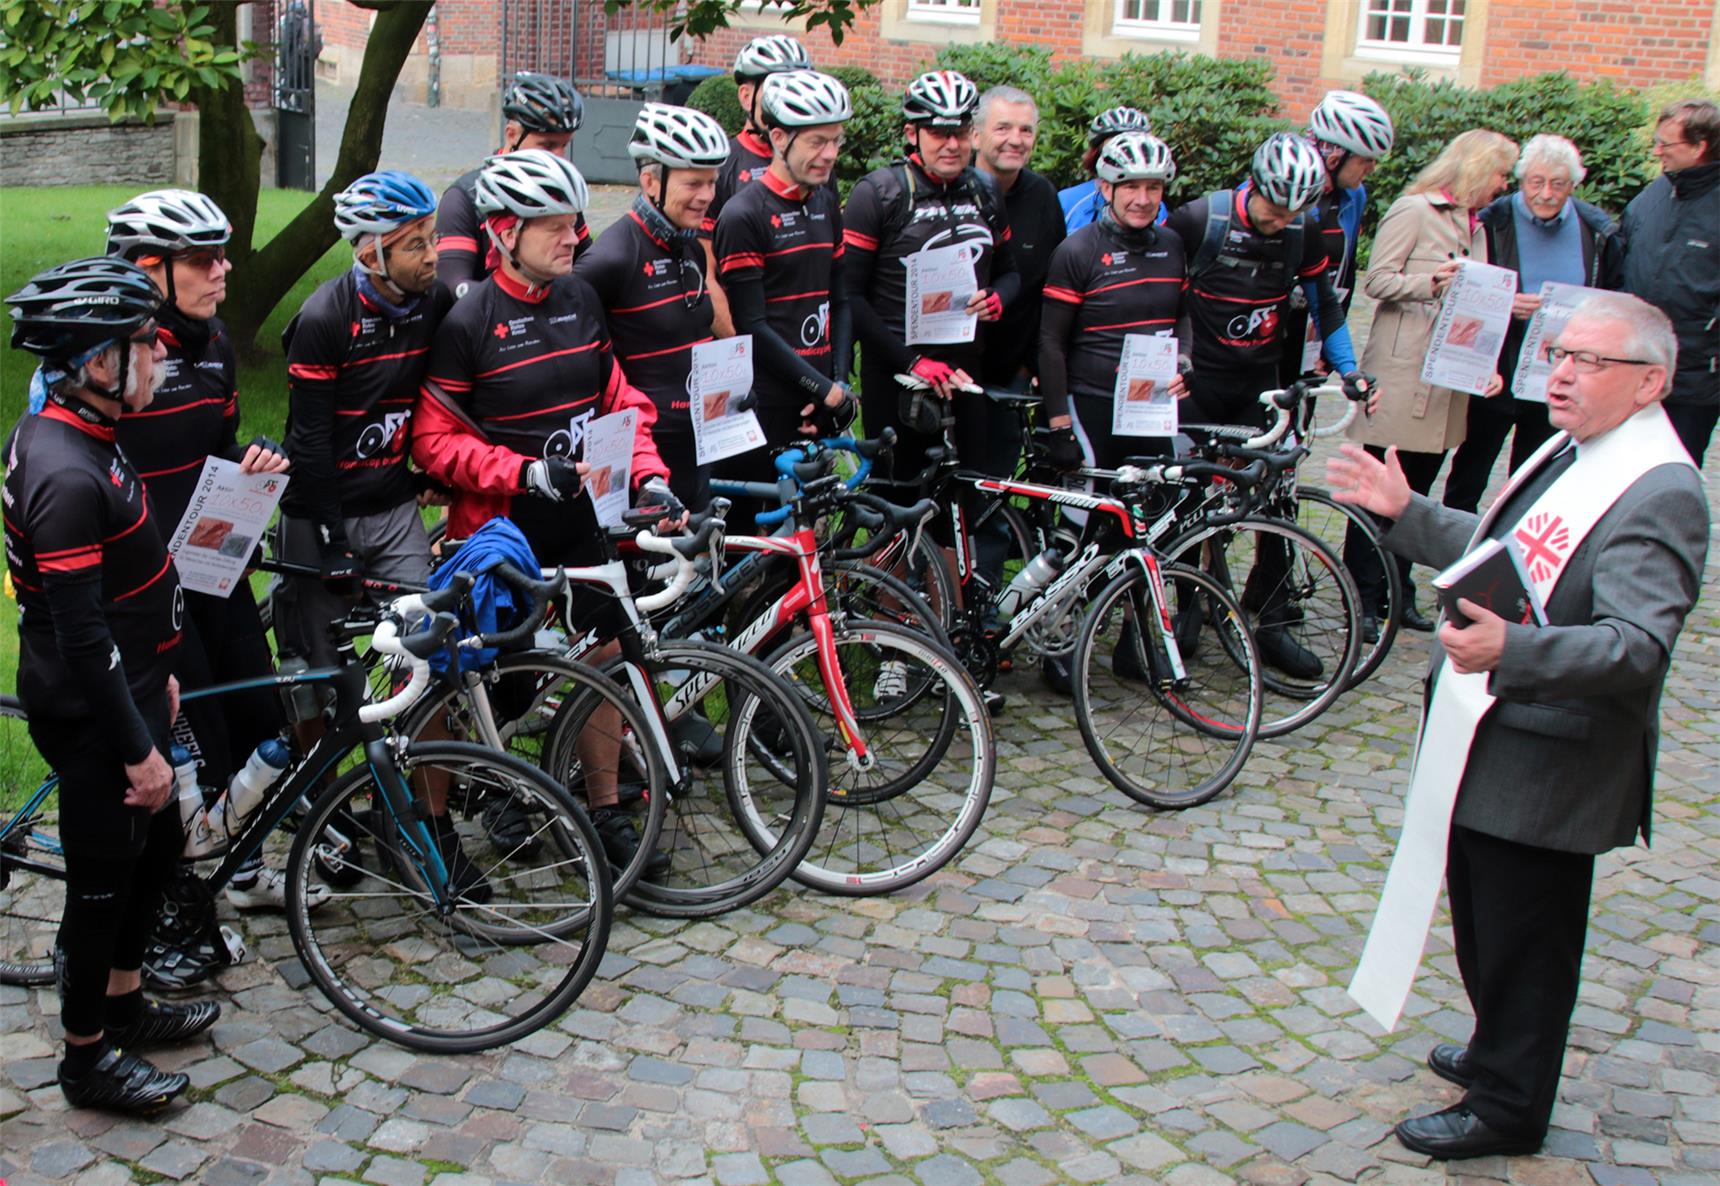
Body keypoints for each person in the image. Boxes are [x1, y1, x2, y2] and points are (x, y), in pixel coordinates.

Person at [1328, 291, 1708, 1160]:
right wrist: (1407, 513)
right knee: (1484, 912)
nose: (1561, 373)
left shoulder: (1661, 492)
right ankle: (1498, 1043)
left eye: (1588, 361)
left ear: (1650, 383)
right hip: (1495, 729)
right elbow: (1513, 549)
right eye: (1559, 354)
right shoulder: (1577, 448)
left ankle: (1509, 1103)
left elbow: (1636, 647)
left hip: (1550, 756)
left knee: (1527, 935)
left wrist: (1516, 649)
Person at [412, 148, 676, 876]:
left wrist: (650, 478)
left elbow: (621, 402)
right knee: (500, 682)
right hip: (501, 531)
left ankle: (604, 809)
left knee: (606, 656)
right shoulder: (471, 322)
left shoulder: (580, 300)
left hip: (578, 518)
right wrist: (524, 471)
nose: (572, 239)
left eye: (575, 224)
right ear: (503, 232)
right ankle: (492, 785)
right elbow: (433, 442)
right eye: (554, 227)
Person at [4, 257, 217, 1115]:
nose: (161, 356)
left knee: (156, 853)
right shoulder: (62, 471)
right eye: (143, 344)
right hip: (96, 714)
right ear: (97, 364)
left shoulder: (84, 430)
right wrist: (136, 748)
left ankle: (126, 1005)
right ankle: (86, 1060)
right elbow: (82, 637)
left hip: (135, 688)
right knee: (102, 887)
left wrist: (158, 678)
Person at [104, 190, 298, 928]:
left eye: (223, 254)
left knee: (258, 712)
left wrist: (258, 460)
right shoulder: (107, 362)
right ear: (146, 270)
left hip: (216, 568)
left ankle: (240, 868)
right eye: (202, 259)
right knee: (201, 744)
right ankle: (179, 901)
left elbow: (220, 451)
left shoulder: (214, 346)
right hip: (148, 589)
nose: (223, 271)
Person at [1165, 133, 1370, 679]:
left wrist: (1349, 369)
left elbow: (1325, 304)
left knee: (1274, 499)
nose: (1282, 221)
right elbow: (1161, 291)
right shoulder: (1199, 219)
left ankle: (1275, 623)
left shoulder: (1303, 228)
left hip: (1262, 380)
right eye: (1275, 210)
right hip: (1201, 381)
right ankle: (1186, 610)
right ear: (1253, 186)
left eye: (1293, 211)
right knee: (1191, 500)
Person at [274, 171, 451, 668]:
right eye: (416, 245)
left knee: (426, 649)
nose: (433, 255)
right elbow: (309, 440)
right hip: (321, 511)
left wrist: (434, 473)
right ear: (372, 256)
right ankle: (309, 745)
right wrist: (332, 539)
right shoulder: (324, 317)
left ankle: (422, 748)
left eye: (432, 238)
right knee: (318, 670)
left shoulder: (432, 302)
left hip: (393, 508)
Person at [1345, 129, 1517, 634]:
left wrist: (1487, 362)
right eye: (1501, 174)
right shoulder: (1414, 210)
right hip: (1400, 376)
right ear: (1477, 168)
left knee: (1416, 492)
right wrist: (1430, 283)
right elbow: (1376, 280)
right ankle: (1362, 597)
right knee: (1378, 487)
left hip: (1447, 380)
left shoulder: (1476, 226)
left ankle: (1397, 593)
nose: (1504, 185)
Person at [843, 69, 1018, 473]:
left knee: (965, 488)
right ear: (912, 134)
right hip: (897, 370)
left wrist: (997, 298)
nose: (952, 145)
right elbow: (850, 297)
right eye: (939, 134)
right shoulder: (880, 193)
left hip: (964, 367)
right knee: (896, 494)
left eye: (960, 132)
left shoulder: (985, 190)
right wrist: (910, 362)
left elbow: (1011, 273)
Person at [1443, 136, 1623, 515]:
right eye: (1535, 182)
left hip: (1556, 372)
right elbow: (1464, 286)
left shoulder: (1596, 230)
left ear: (1573, 185)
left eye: (1558, 184)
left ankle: (1514, 553)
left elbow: (1612, 296)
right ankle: (1456, 556)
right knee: (1471, 468)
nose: (1545, 194)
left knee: (1536, 473)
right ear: (1520, 181)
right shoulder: (1493, 221)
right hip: (1497, 365)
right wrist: (1506, 304)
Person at [712, 69, 857, 522]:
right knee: (745, 543)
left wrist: (838, 382)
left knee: (804, 536)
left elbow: (841, 296)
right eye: (816, 141)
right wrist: (825, 391)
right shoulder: (744, 214)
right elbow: (750, 326)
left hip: (814, 390)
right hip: (763, 399)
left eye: (835, 140)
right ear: (778, 137)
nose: (829, 154)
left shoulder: (825, 202)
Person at [577, 104, 730, 512]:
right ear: (650, 180)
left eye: (712, 183)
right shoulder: (612, 257)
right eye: (694, 183)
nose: (707, 196)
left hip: (695, 443)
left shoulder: (690, 247)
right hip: (642, 457)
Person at [1620, 97, 1720, 465]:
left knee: (1672, 474)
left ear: (1699, 147)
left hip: (1693, 379)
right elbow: (1621, 255)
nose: (1657, 150)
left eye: (1667, 143)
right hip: (1631, 367)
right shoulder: (1653, 194)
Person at [435, 71, 589, 298]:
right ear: (512, 134)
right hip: (488, 326)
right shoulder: (463, 198)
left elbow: (587, 264)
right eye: (547, 145)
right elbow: (453, 285)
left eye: (564, 145)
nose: (559, 157)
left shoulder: (561, 190)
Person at [1280, 90, 1396, 388]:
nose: (1372, 169)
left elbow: (1344, 273)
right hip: (1268, 334)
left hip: (1315, 328)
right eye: (1365, 160)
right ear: (1335, 156)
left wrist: (1327, 347)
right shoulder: (1280, 189)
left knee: (1297, 428)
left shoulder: (1354, 195)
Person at [974, 85, 1067, 399]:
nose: (1015, 140)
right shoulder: (950, 192)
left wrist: (1029, 367)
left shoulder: (1043, 197)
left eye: (1026, 130)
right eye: (1003, 128)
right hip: (943, 369)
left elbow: (1052, 289)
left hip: (1011, 377)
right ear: (975, 135)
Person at [707, 34, 812, 228]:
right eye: (775, 91)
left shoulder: (814, 161)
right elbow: (707, 255)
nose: (788, 104)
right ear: (746, 97)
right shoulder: (722, 165)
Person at [1058, 107, 1163, 233]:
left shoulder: (1155, 206)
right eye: (1112, 149)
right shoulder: (1068, 200)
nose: (1121, 157)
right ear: (1096, 154)